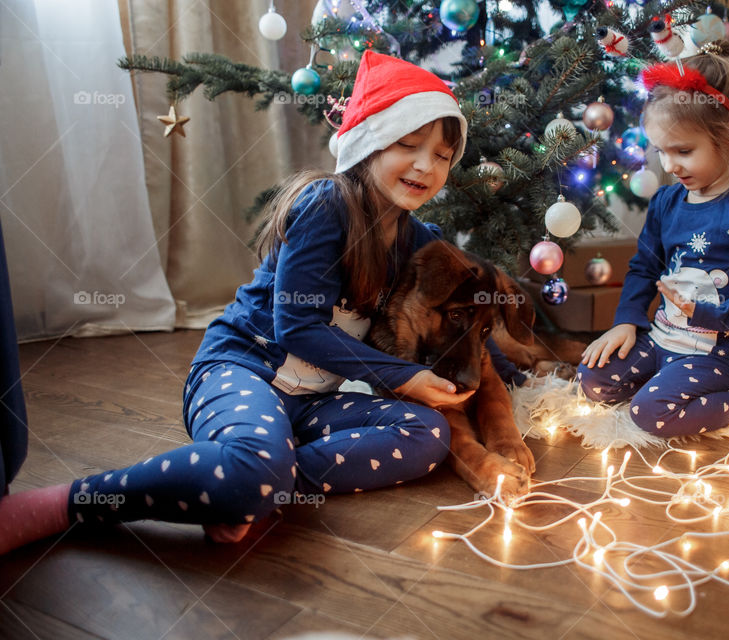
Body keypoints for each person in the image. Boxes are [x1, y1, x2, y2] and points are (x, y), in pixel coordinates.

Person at [0, 50, 528, 554]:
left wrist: (504, 370)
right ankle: (69, 504)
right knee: (259, 468)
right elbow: (296, 327)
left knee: (427, 433)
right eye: (407, 144)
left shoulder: (420, 243)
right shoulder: (326, 205)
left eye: (442, 156)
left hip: (313, 403)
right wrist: (404, 377)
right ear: (369, 142)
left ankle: (253, 484)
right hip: (242, 371)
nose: (425, 165)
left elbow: (469, 309)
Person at [579, 40, 729, 438]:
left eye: (683, 151)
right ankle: (668, 382)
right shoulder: (667, 202)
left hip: (722, 354)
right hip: (662, 337)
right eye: (660, 151)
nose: (669, 166)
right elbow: (643, 268)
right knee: (592, 379)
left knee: (652, 414)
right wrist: (627, 321)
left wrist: (712, 314)